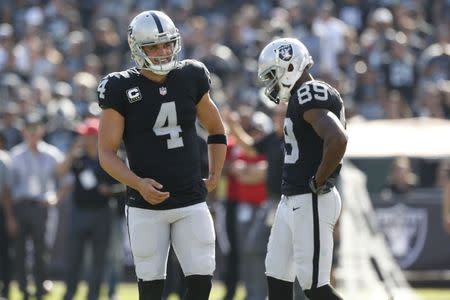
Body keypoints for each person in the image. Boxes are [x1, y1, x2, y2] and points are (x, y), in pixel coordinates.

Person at [96, 10, 227, 300]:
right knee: (151, 290)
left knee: (201, 284)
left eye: (167, 44)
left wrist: (215, 175)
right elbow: (106, 153)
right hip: (145, 206)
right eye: (154, 46)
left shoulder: (191, 75)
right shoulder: (119, 86)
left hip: (191, 199)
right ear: (137, 49)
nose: (163, 51)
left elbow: (217, 130)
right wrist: (138, 183)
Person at [257, 37, 348, 300]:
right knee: (277, 280)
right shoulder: (301, 96)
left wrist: (318, 180)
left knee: (315, 286)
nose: (272, 82)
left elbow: (337, 139)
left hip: (311, 198)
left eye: (273, 74)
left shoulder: (310, 92)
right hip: (292, 199)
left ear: (288, 65)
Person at [56, 117, 120, 300]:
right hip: (79, 212)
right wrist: (72, 151)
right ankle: (70, 292)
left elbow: (124, 187)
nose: (83, 138)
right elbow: (60, 171)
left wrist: (110, 190)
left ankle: (93, 295)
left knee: (99, 259)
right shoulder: (78, 159)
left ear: (95, 137)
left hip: (102, 213)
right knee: (73, 256)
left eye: (86, 135)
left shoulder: (109, 158)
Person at [9, 113, 70, 300]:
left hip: (43, 208)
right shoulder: (16, 155)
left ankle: (40, 288)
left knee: (41, 250)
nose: (33, 134)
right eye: (30, 130)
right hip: (20, 206)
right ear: (24, 132)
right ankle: (23, 289)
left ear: (42, 131)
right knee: (19, 251)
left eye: (36, 129)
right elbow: (8, 189)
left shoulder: (52, 154)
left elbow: (67, 180)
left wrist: (55, 198)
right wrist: (10, 215)